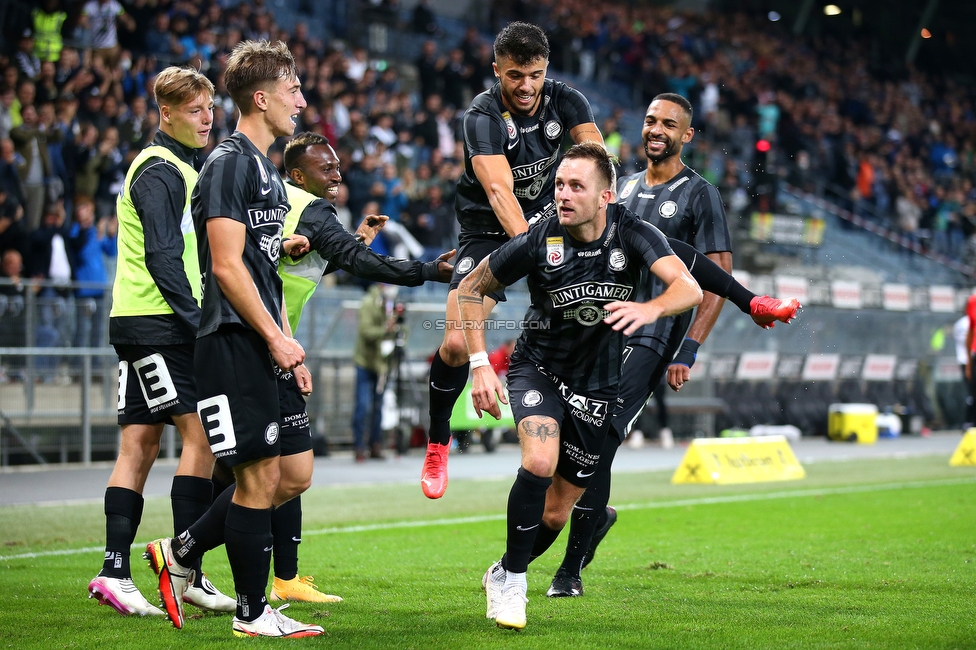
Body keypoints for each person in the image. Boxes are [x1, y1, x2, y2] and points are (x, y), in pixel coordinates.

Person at [543, 93, 802, 598]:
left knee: (601, 436)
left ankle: (569, 570)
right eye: (650, 121)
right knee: (578, 440)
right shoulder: (623, 188)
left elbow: (714, 276)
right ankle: (595, 519)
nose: (656, 129)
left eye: (669, 124)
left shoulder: (699, 194)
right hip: (601, 328)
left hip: (655, 333)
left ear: (687, 135)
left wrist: (689, 347)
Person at [460, 142, 702, 630]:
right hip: (539, 368)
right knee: (539, 461)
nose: (563, 195)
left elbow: (689, 288)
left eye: (576, 186)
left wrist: (650, 309)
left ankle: (506, 569)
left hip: (597, 387)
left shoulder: (633, 233)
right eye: (559, 185)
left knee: (554, 514)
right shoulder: (540, 236)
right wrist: (479, 364)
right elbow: (471, 289)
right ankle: (513, 586)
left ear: (606, 195)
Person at [145, 40, 324, 639]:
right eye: (292, 88)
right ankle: (252, 613)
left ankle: (181, 552)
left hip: (267, 340)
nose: (300, 100)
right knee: (259, 478)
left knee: (294, 474)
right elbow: (225, 266)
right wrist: (275, 339)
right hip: (231, 339)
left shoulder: (266, 169)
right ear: (261, 96)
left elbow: (262, 270)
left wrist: (286, 339)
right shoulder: (229, 162)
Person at [261, 131, 452, 604]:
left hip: (262, 336)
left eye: (338, 166)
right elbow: (358, 265)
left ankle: (282, 577)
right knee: (285, 474)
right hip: (266, 344)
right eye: (327, 169)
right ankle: (185, 549)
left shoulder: (276, 201)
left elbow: (308, 264)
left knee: (263, 470)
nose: (338, 175)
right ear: (300, 174)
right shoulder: (315, 209)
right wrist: (427, 271)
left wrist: (356, 239)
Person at [421, 21, 604, 500]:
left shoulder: (567, 101)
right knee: (457, 345)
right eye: (516, 75)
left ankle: (581, 439)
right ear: (497, 69)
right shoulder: (480, 117)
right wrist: (535, 252)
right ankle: (439, 440)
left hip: (550, 221)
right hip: (488, 230)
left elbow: (597, 160)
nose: (526, 86)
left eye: (536, 75)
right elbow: (500, 191)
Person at [87, 66, 235, 617]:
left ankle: (114, 571)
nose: (207, 119)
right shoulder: (159, 170)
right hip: (159, 323)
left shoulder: (180, 167)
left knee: (140, 445)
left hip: (140, 320)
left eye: (210, 108)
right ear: (165, 113)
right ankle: (183, 568)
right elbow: (162, 256)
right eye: (195, 110)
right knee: (202, 438)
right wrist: (199, 320)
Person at [352, 282, 399, 461]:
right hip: (365, 362)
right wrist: (385, 329)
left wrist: (397, 328)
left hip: (383, 365)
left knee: (379, 406)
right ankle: (359, 445)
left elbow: (402, 329)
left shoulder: (392, 305)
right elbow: (366, 331)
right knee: (363, 405)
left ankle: (375, 444)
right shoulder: (369, 302)